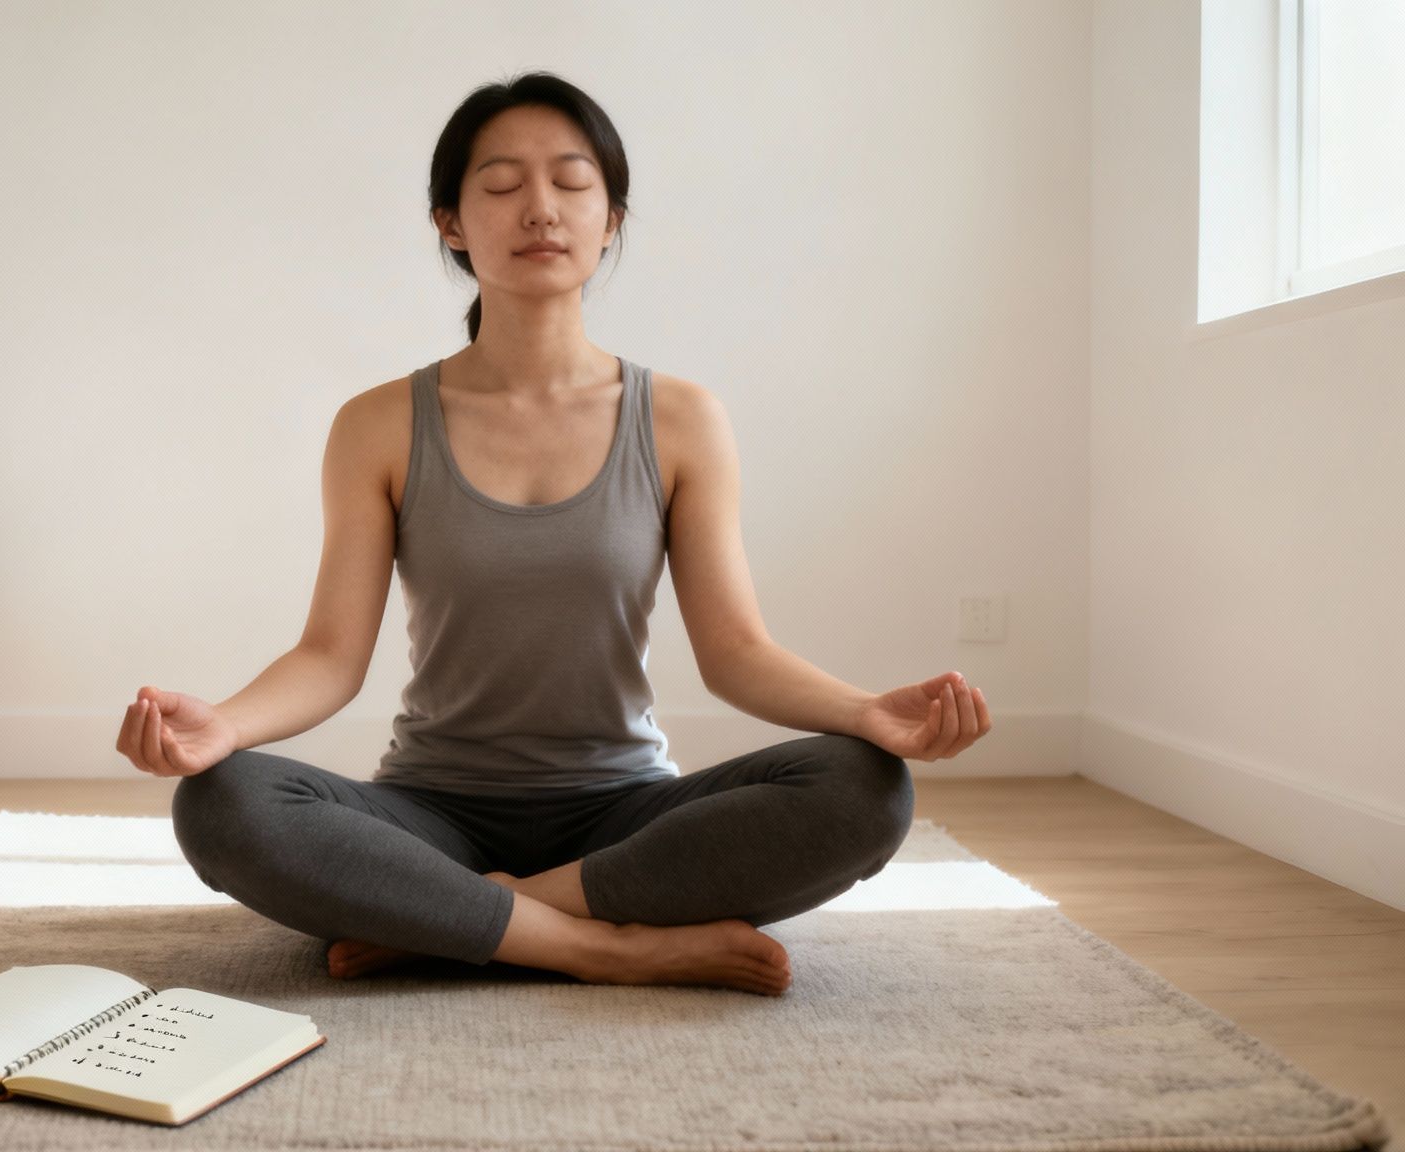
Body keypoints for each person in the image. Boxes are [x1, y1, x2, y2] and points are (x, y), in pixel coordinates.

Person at [114, 72, 991, 995]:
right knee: (224, 803)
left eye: (572, 183)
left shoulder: (682, 419)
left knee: (865, 788)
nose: (540, 209)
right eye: (500, 186)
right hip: (431, 811)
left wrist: (863, 714)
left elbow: (736, 652)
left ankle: (461, 916)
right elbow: (331, 657)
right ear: (450, 222)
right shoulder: (376, 424)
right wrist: (224, 725)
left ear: (611, 217)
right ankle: (601, 946)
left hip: (623, 815)